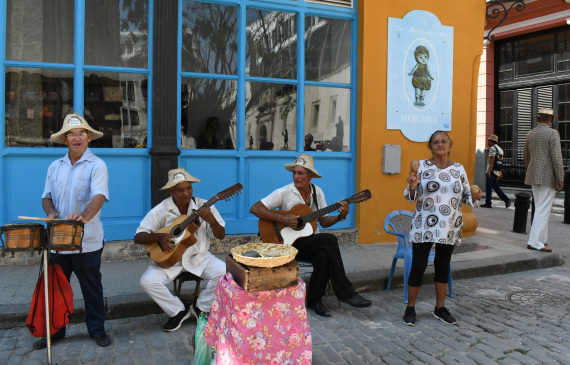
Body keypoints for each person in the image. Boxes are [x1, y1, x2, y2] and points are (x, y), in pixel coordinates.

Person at [250, 154, 371, 317]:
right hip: (286, 245)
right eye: (294, 173)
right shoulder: (284, 192)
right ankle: (345, 293)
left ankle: (314, 301)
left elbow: (324, 222)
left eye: (300, 173)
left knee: (324, 254)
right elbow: (255, 208)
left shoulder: (317, 192)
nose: (296, 176)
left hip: (310, 242)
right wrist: (282, 218)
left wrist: (341, 216)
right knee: (330, 241)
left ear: (310, 176)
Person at [36, 113, 111, 350]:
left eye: (81, 133)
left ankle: (97, 330)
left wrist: (83, 217)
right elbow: (47, 197)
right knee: (56, 289)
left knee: (91, 288)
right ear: (65, 139)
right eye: (71, 134)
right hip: (58, 239)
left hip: (86, 240)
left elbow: (99, 196)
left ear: (88, 138)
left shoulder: (97, 165)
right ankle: (56, 332)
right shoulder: (54, 167)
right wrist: (50, 214)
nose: (77, 138)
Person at [403, 131, 482, 326]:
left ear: (450, 145)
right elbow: (410, 195)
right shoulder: (421, 166)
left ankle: (440, 308)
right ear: (431, 147)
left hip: (449, 225)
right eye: (436, 142)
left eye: (443, 141)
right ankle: (410, 308)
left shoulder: (458, 169)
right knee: (419, 265)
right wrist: (413, 185)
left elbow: (466, 196)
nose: (440, 144)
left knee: (443, 265)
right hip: (424, 225)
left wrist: (474, 197)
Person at [134, 168, 226, 332]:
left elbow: (221, 235)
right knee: (147, 281)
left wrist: (212, 221)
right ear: (171, 191)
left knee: (224, 272)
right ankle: (177, 311)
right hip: (171, 259)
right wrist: (159, 237)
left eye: (189, 188)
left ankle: (201, 308)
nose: (186, 193)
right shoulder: (162, 209)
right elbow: (138, 236)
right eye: (180, 190)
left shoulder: (204, 206)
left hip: (199, 257)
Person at [523, 107, 564, 252]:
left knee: (540, 207)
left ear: (538, 118)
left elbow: (525, 156)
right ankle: (535, 242)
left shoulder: (531, 134)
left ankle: (542, 239)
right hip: (548, 176)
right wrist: (560, 177)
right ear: (551, 119)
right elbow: (557, 157)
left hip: (533, 175)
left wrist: (531, 168)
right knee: (543, 209)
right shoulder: (553, 133)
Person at [481, 134, 511, 209]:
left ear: (492, 141)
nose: (487, 142)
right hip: (497, 171)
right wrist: (500, 172)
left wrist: (489, 170)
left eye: (489, 141)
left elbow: (493, 160)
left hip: (492, 171)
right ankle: (506, 199)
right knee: (495, 187)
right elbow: (500, 161)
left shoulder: (492, 148)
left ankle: (488, 203)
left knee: (489, 187)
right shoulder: (500, 149)